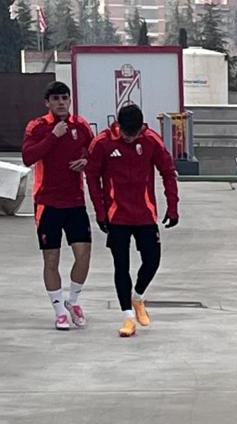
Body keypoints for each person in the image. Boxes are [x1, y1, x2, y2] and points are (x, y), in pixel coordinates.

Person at [85, 104, 180, 338]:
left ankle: (137, 297)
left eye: (135, 133)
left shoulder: (150, 140)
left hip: (145, 214)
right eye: (127, 133)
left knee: (153, 260)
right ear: (119, 126)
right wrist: (99, 211)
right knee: (121, 265)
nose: (130, 137)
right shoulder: (102, 143)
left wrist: (173, 206)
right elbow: (92, 177)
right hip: (117, 216)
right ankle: (127, 316)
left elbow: (167, 172)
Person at [21, 81, 95, 330]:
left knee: (83, 256)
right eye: (56, 99)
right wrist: (53, 136)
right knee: (51, 259)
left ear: (70, 100)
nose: (61, 102)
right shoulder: (38, 126)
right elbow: (28, 157)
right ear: (47, 103)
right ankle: (58, 310)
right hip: (47, 203)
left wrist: (85, 160)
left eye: (65, 98)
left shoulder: (81, 125)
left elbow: (94, 153)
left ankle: (73, 301)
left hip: (75, 202)